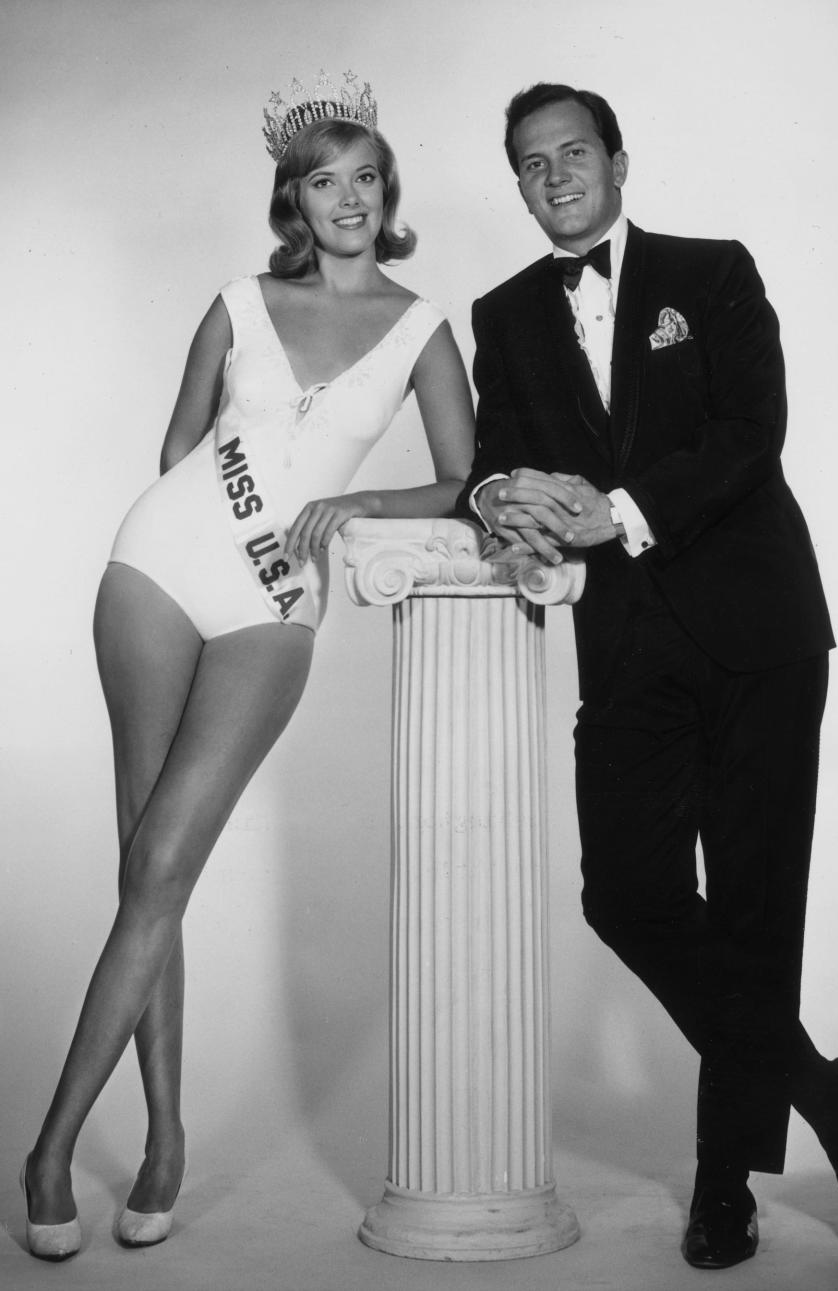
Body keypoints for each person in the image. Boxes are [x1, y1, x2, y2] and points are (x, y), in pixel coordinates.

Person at [19, 75, 475, 1261]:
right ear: (293, 199)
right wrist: (199, 520)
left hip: (278, 604)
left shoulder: (426, 326)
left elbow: (464, 479)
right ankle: (135, 1141)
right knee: (146, 866)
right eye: (324, 181)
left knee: (165, 858)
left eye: (366, 176)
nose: (348, 200)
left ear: (389, 191)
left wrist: (353, 499)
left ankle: (51, 1143)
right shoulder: (237, 298)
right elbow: (179, 445)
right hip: (159, 568)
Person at [461, 82, 838, 1271]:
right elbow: (491, 455)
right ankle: (834, 1099)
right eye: (529, 162)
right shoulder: (502, 312)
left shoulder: (711, 273)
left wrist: (619, 511)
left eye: (572, 152)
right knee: (630, 893)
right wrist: (502, 496)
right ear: (518, 183)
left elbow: (755, 428)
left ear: (616, 159)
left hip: (759, 629)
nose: (553, 175)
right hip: (626, 647)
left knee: (758, 912)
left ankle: (725, 1188)